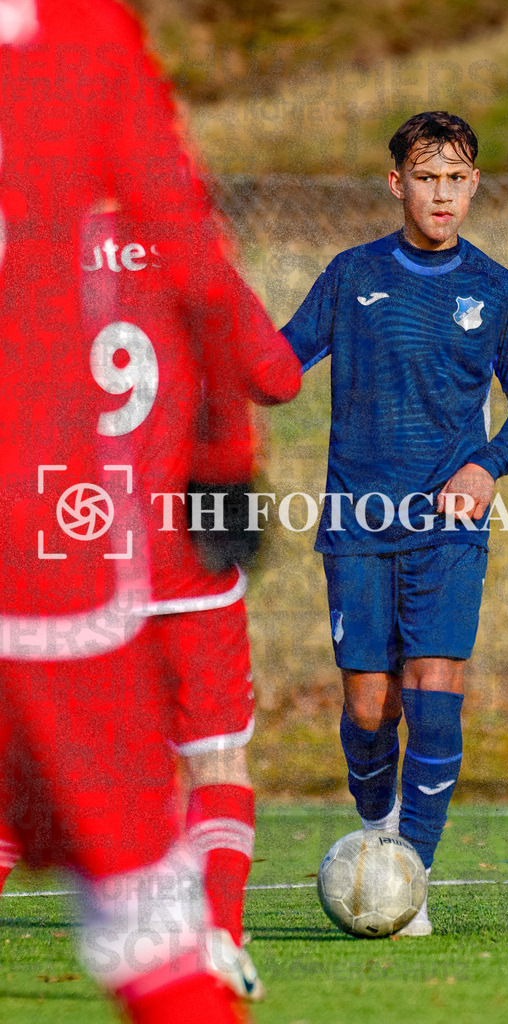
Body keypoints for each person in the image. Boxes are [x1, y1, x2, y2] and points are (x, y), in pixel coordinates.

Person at [0, 0, 298, 1019]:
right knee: (156, 866)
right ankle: (216, 941)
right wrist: (224, 463)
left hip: (70, 538)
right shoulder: (87, 43)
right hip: (80, 544)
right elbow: (239, 330)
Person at [281, 111, 508, 935]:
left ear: (474, 185)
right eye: (426, 178)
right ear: (398, 184)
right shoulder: (351, 274)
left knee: (436, 692)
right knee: (371, 709)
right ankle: (376, 829)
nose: (442, 194)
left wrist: (486, 466)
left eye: (456, 178)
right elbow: (280, 361)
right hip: (358, 523)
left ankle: (411, 876)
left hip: (447, 525)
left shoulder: (498, 291)